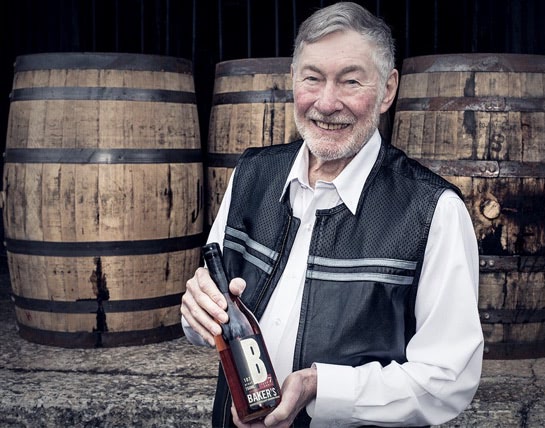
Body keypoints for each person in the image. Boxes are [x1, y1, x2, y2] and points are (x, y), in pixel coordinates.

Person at [181, 2, 484, 427]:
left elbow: (446, 380)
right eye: (312, 78)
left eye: (351, 81)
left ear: (388, 89)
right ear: (292, 80)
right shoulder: (251, 174)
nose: (326, 103)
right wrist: (196, 315)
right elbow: (210, 321)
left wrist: (321, 387)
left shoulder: (433, 210)